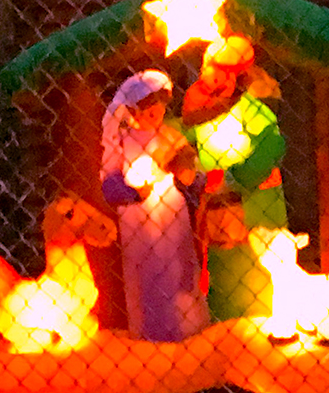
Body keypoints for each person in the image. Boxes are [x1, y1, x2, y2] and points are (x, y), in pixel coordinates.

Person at [181, 36, 287, 322]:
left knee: (254, 260)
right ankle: (222, 316)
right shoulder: (199, 108)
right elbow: (188, 135)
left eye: (214, 73)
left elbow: (272, 143)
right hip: (213, 194)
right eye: (205, 70)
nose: (206, 78)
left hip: (252, 196)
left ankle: (261, 314)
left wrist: (244, 175)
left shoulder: (249, 109)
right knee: (220, 261)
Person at [101, 71, 209, 342]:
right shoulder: (121, 141)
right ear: (133, 110)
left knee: (178, 265)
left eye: (159, 112)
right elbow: (109, 181)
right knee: (147, 272)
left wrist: (190, 176)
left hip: (169, 208)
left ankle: (187, 325)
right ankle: (152, 329)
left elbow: (187, 168)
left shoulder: (169, 135)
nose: (156, 118)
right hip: (138, 215)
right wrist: (132, 192)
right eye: (149, 112)